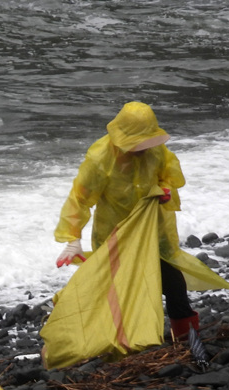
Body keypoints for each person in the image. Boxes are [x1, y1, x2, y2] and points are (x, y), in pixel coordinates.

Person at [54, 101, 210, 362]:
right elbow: (79, 199)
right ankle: (117, 348)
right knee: (118, 292)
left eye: (145, 142)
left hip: (154, 233)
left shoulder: (156, 150)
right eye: (136, 144)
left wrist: (166, 190)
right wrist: (72, 239)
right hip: (115, 236)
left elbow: (169, 175)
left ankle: (186, 342)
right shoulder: (100, 159)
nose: (142, 149)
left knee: (173, 284)